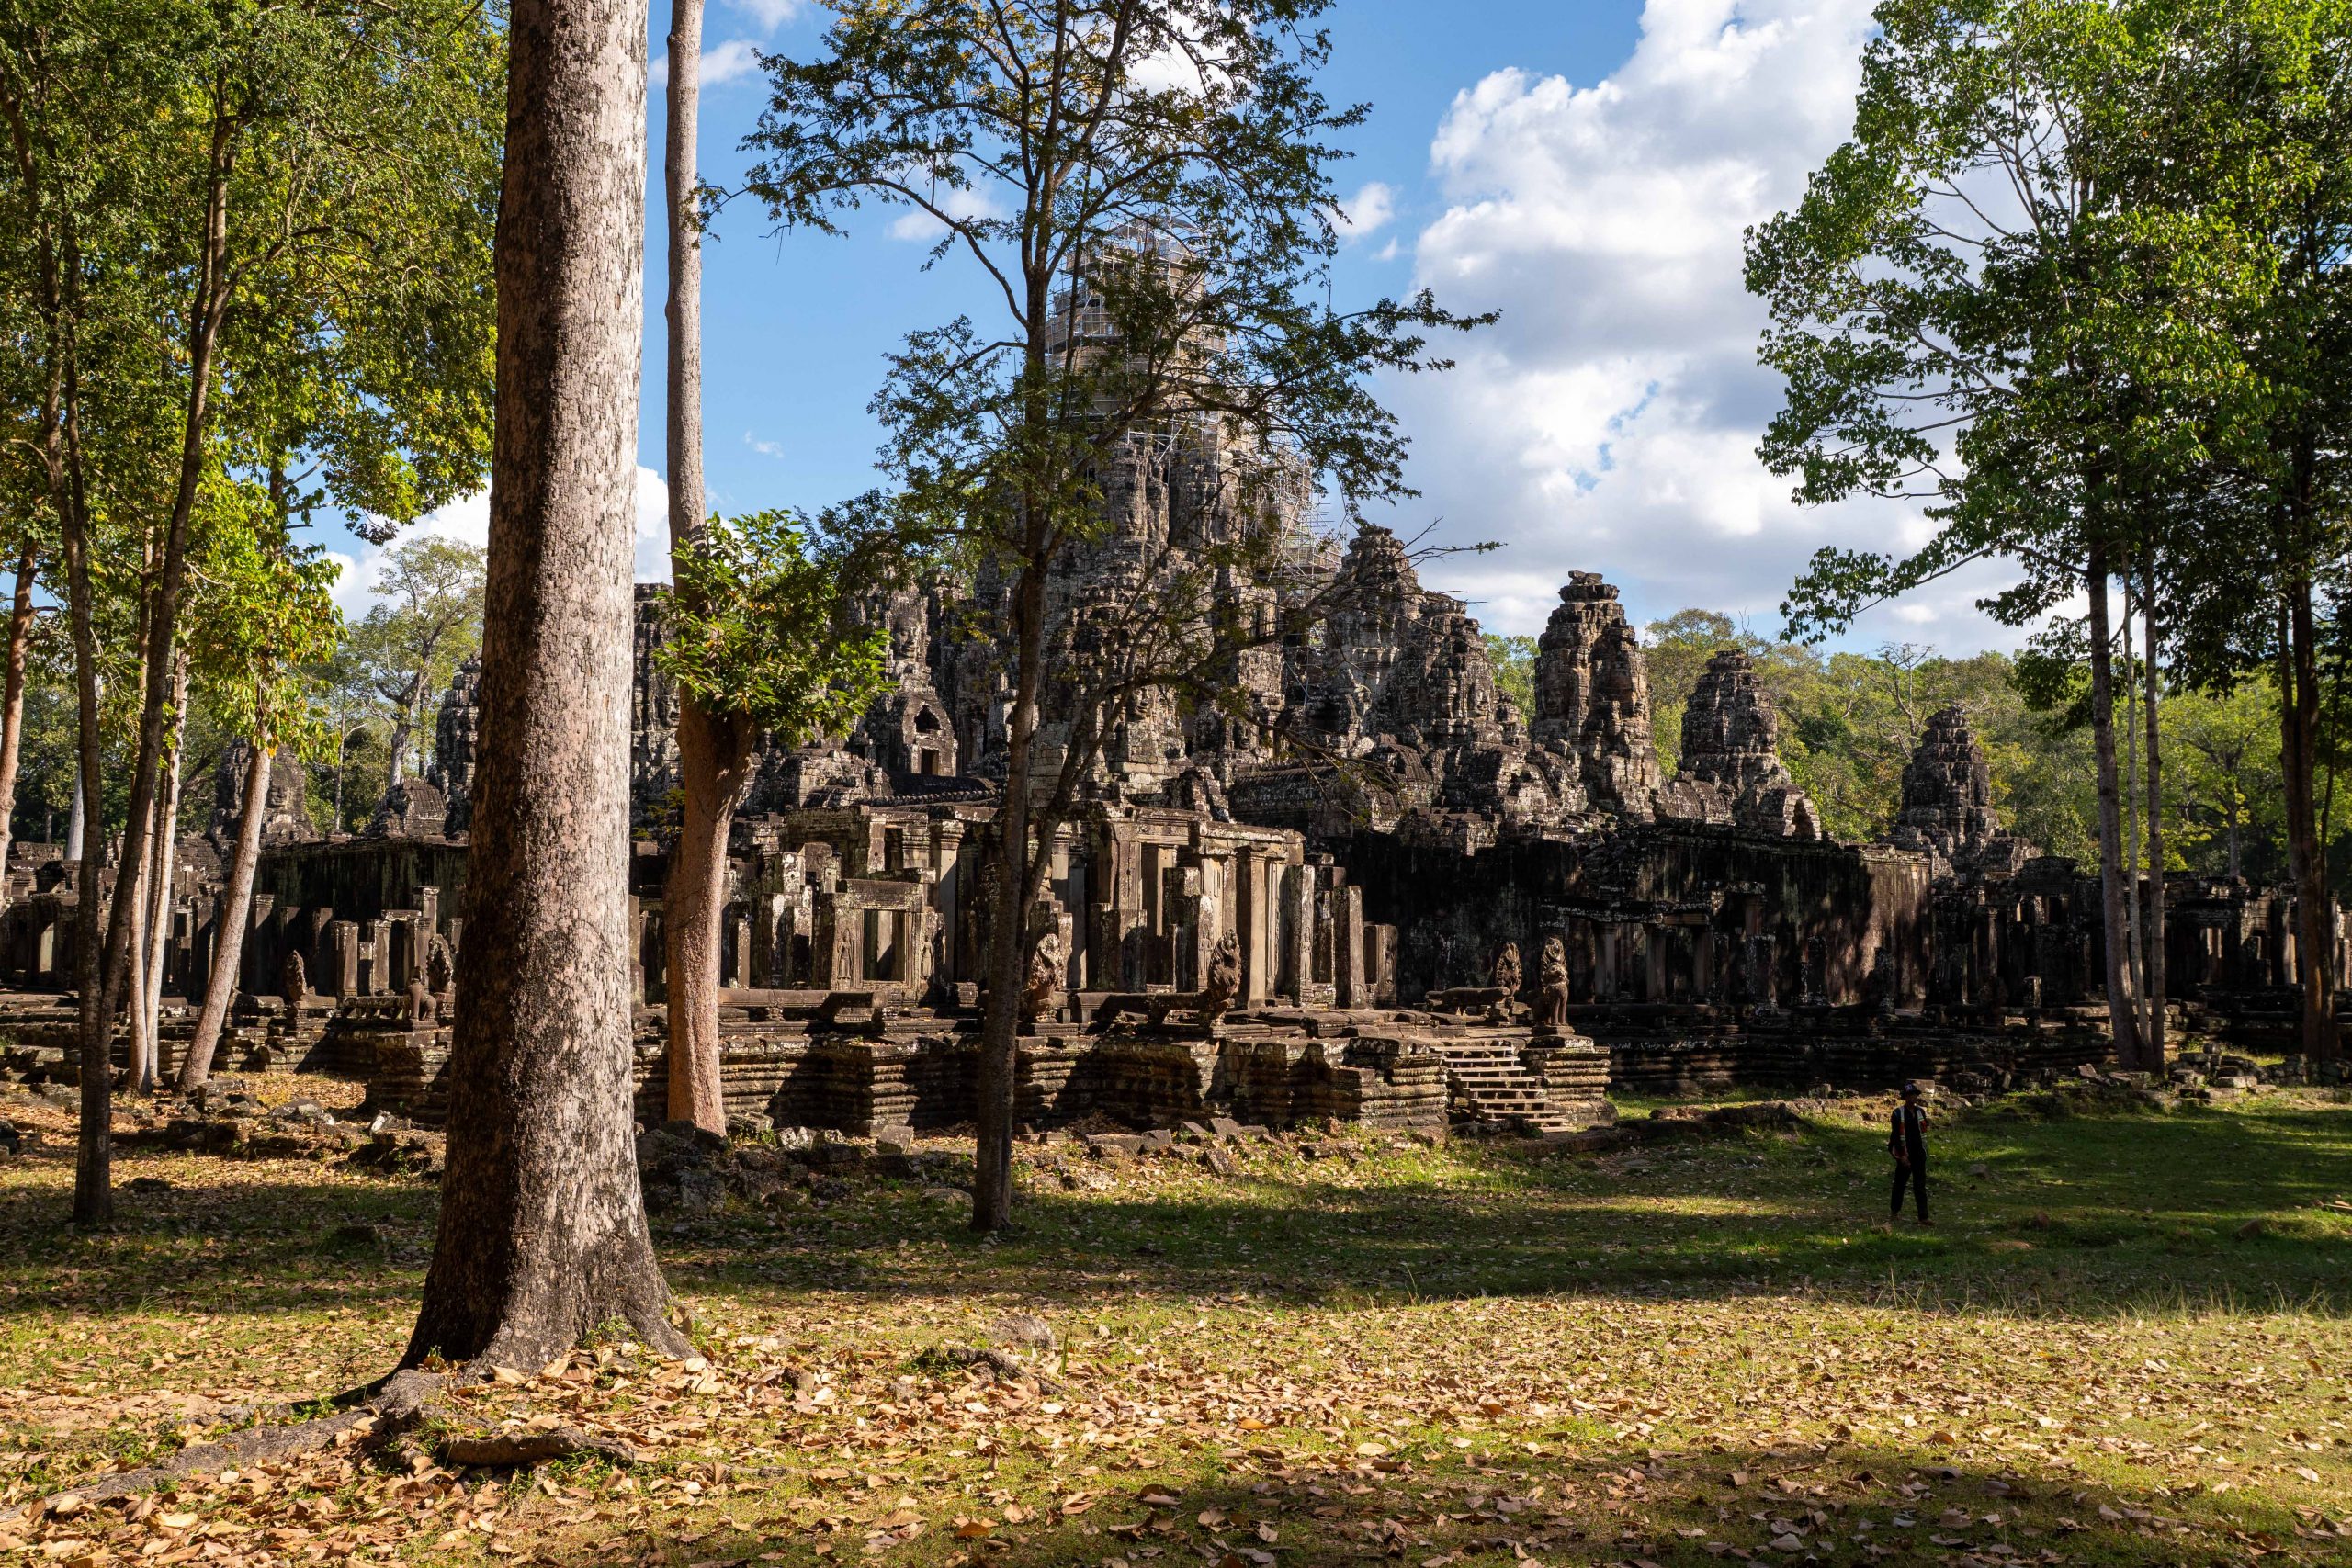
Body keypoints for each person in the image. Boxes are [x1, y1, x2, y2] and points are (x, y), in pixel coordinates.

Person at [1886, 1081, 1930, 1227]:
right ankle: (1894, 1212)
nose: (1913, 1097)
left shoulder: (1920, 1112)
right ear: (1905, 1097)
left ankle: (1923, 1217)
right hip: (1904, 1153)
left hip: (1919, 1153)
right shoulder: (1897, 1113)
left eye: (1915, 1095)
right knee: (1900, 1184)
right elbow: (1895, 1136)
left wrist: (1924, 1153)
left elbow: (1924, 1132)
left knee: (1920, 1185)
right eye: (1910, 1095)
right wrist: (1902, 1156)